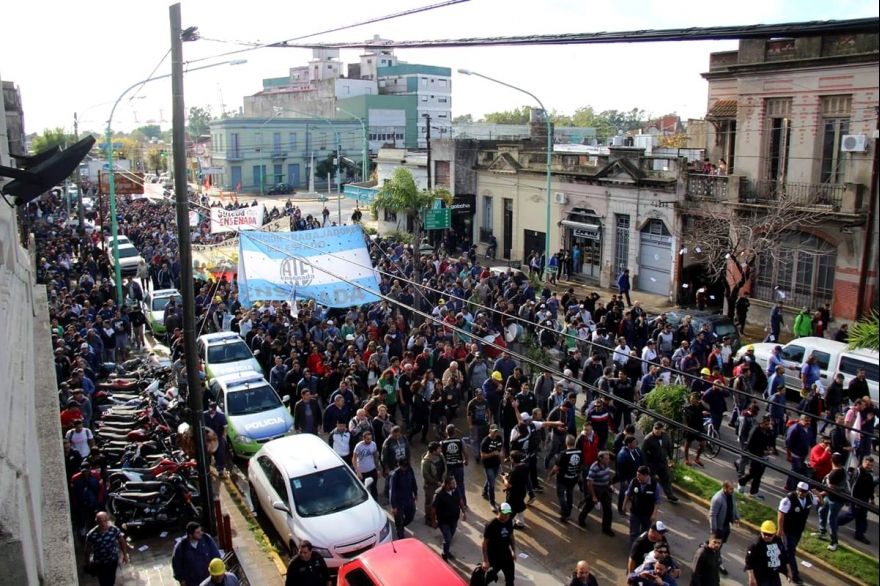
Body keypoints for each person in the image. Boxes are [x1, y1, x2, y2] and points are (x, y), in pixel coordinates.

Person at [776, 481, 817, 586]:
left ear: (807, 492)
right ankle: (794, 574)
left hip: (798, 530)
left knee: (790, 549)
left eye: (803, 491)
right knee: (790, 552)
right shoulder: (788, 500)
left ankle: (778, 558)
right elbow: (781, 514)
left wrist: (819, 495)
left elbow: (820, 503)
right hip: (788, 530)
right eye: (799, 490)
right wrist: (780, 529)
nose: (800, 493)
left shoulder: (810, 498)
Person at [812, 452, 847, 551]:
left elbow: (829, 490)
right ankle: (822, 532)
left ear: (832, 461)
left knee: (831, 521)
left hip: (836, 500)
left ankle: (834, 542)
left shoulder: (834, 474)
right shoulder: (841, 469)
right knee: (822, 511)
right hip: (830, 498)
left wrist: (818, 494)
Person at [84, 512, 130, 586]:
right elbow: (88, 548)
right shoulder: (92, 534)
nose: (103, 524)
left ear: (107, 520)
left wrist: (125, 555)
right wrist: (87, 561)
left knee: (111, 580)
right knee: (104, 582)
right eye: (100, 522)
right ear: (97, 522)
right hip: (100, 563)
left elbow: (121, 541)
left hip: (112, 560)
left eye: (105, 521)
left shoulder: (113, 530)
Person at [837, 455, 875, 545]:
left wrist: (872, 498)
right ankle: (835, 522)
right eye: (868, 464)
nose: (869, 467)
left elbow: (870, 487)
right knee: (851, 514)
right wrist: (854, 501)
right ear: (863, 463)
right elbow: (853, 488)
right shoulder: (858, 472)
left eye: (871, 465)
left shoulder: (870, 473)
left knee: (862, 517)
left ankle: (860, 535)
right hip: (856, 498)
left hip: (864, 499)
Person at [172, 521, 223, 586]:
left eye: (200, 531)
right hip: (192, 582)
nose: (201, 533)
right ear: (190, 535)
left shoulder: (206, 539)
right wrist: (181, 580)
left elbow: (216, 556)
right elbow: (177, 565)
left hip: (208, 580)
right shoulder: (181, 546)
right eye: (197, 533)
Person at [623, 465, 662, 546]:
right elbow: (628, 494)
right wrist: (624, 505)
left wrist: (655, 513)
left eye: (639, 475)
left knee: (645, 534)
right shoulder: (634, 481)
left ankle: (641, 549)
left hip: (647, 515)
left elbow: (657, 501)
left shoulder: (655, 485)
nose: (637, 477)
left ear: (646, 475)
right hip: (635, 513)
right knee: (634, 533)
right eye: (637, 475)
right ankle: (633, 551)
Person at [578, 450, 615, 536]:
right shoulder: (594, 467)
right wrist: (594, 496)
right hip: (596, 490)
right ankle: (581, 519)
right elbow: (589, 483)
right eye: (606, 459)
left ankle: (607, 528)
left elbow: (608, 476)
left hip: (605, 489)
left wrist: (611, 485)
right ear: (600, 459)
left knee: (608, 509)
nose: (608, 460)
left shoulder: (606, 465)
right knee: (589, 506)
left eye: (608, 458)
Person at [431, 475, 467, 562]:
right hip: (443, 521)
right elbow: (433, 509)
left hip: (454, 519)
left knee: (450, 537)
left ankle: (446, 550)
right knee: (447, 537)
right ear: (447, 485)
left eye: (455, 483)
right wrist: (433, 521)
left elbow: (460, 500)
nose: (455, 485)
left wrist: (463, 512)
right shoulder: (439, 493)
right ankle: (444, 554)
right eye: (453, 483)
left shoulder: (456, 489)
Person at [745, 521, 791, 586]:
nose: (766, 536)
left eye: (769, 535)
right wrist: (752, 578)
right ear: (761, 532)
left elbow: (784, 556)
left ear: (774, 533)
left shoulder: (777, 540)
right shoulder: (756, 545)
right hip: (762, 577)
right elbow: (749, 562)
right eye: (764, 534)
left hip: (774, 575)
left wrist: (788, 571)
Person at [737, 416, 774, 499]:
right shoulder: (755, 431)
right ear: (761, 423)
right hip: (754, 454)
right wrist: (762, 451)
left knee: (759, 475)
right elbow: (750, 445)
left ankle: (753, 492)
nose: (767, 426)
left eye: (768, 424)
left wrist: (771, 447)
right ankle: (742, 481)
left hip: (764, 456)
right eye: (765, 424)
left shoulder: (768, 430)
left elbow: (771, 440)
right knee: (753, 472)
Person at [481, 503, 517, 586]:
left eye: (508, 514)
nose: (507, 516)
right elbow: (484, 542)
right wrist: (485, 561)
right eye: (504, 514)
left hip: (506, 555)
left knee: (510, 579)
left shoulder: (509, 522)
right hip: (494, 556)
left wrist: (513, 550)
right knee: (488, 578)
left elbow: (511, 536)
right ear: (499, 512)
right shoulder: (491, 524)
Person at [708, 481, 740, 575]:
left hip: (726, 524)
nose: (733, 491)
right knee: (717, 545)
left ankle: (708, 545)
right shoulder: (717, 499)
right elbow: (712, 515)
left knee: (720, 544)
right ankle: (718, 562)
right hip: (719, 527)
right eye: (731, 489)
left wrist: (737, 517)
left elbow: (734, 506)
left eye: (733, 489)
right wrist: (714, 530)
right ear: (725, 488)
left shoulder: (731, 495)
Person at [642, 422, 679, 503]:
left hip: (663, 462)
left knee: (666, 478)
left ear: (662, 429)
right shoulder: (648, 439)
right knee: (648, 479)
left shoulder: (665, 436)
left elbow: (668, 447)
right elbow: (644, 453)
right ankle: (643, 493)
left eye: (659, 429)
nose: (657, 431)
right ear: (653, 428)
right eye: (656, 429)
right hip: (652, 463)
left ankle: (670, 495)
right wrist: (645, 465)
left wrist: (670, 458)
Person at [548, 434, 581, 522]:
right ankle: (568, 513)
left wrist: (550, 475)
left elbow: (556, 468)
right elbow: (581, 465)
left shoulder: (564, 454)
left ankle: (565, 512)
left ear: (566, 443)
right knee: (570, 494)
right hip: (573, 477)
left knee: (561, 495)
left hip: (563, 478)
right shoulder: (580, 452)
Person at [388, 458, 418, 539]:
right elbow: (392, 491)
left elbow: (413, 482)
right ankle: (400, 534)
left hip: (408, 498)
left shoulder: (410, 470)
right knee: (399, 520)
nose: (405, 468)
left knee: (411, 514)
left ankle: (401, 525)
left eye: (406, 466)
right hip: (398, 501)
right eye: (403, 466)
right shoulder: (395, 475)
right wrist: (393, 506)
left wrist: (415, 493)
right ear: (399, 465)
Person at [441, 424, 469, 505]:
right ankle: (463, 502)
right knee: (460, 484)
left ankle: (448, 502)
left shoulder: (442, 443)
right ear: (455, 432)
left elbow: (441, 455)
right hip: (459, 466)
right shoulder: (460, 441)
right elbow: (466, 453)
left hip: (448, 467)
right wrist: (466, 461)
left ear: (446, 432)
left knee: (447, 485)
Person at [502, 450, 530, 529]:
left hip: (513, 494)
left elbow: (508, 485)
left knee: (509, 510)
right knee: (520, 507)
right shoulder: (524, 466)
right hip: (522, 491)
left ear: (512, 459)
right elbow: (518, 477)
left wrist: (504, 478)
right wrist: (509, 475)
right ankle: (520, 523)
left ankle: (508, 526)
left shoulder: (514, 470)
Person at [421, 441, 446, 523]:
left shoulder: (440, 456)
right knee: (430, 503)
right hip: (430, 485)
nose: (440, 450)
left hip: (440, 482)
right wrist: (436, 482)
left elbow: (444, 466)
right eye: (439, 449)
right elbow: (426, 475)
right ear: (434, 451)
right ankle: (428, 519)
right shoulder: (426, 462)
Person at [480, 424, 504, 510]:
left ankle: (484, 491)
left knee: (491, 479)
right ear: (490, 431)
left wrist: (501, 452)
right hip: (488, 465)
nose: (496, 433)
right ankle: (492, 503)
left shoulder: (499, 438)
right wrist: (492, 454)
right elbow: (482, 456)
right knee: (492, 483)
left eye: (496, 431)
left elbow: (501, 447)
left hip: (496, 464)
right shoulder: (485, 442)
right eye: (494, 431)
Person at [352, 430, 381, 500]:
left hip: (372, 469)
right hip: (362, 471)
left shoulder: (373, 444)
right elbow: (354, 459)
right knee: (362, 489)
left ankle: (375, 501)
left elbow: (376, 457)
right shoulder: (359, 446)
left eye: (370, 438)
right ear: (363, 438)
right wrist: (357, 471)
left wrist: (378, 469)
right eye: (368, 439)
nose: (369, 440)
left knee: (373, 488)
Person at [204, 401, 227, 475]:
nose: (212, 411)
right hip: (207, 437)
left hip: (218, 436)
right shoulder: (204, 415)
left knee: (220, 452)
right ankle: (207, 468)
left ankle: (220, 468)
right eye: (211, 409)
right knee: (207, 452)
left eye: (213, 409)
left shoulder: (221, 416)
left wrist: (223, 436)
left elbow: (225, 427)